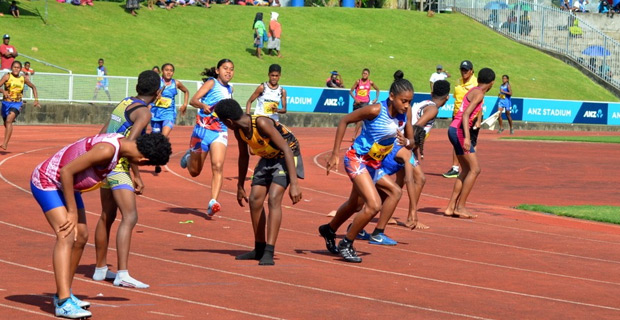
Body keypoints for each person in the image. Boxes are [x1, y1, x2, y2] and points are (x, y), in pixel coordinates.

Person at [31, 132, 170, 319]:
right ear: (143, 158)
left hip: (67, 186)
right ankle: (64, 303)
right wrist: (71, 211)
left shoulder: (121, 144)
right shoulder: (107, 150)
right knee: (66, 235)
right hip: (48, 181)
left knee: (81, 237)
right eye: (146, 164)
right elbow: (66, 171)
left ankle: (63, 294)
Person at [319, 78, 414, 263]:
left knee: (357, 204)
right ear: (392, 96)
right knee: (373, 205)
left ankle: (329, 230)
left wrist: (407, 142)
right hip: (357, 159)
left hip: (373, 164)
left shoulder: (405, 113)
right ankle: (347, 243)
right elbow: (344, 120)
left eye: (409, 101)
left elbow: (412, 142)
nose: (406, 105)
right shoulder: (375, 110)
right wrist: (334, 154)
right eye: (403, 101)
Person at [92, 70, 160, 289]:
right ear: (157, 93)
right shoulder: (144, 113)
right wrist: (137, 176)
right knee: (130, 216)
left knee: (107, 215)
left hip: (104, 162)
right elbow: (130, 145)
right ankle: (122, 273)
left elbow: (103, 131)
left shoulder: (125, 102)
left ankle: (101, 269)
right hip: (118, 166)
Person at [216, 99, 303, 265]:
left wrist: (294, 184)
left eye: (222, 122)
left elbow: (286, 148)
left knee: (274, 198)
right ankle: (259, 248)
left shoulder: (261, 123)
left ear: (228, 122)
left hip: (287, 156)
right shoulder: (239, 131)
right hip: (267, 157)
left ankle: (269, 251)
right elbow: (244, 156)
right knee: (255, 199)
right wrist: (240, 185)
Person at [179, 59, 234, 216]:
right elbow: (193, 100)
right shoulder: (212, 83)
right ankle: (189, 157)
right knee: (195, 172)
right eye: (225, 68)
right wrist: (204, 106)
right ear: (217, 71)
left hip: (219, 131)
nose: (228, 71)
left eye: (231, 69)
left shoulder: (230, 89)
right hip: (202, 131)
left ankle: (213, 201)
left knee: (217, 165)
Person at [444, 68, 495, 219]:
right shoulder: (479, 94)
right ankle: (460, 207)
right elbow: (466, 114)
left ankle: (450, 207)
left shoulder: (475, 90)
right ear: (491, 83)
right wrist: (467, 137)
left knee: (466, 170)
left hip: (454, 128)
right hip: (459, 130)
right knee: (475, 169)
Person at [150, 63, 189, 173]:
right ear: (162, 71)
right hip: (156, 114)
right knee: (156, 139)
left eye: (171, 70)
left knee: (163, 137)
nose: (169, 72)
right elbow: (149, 95)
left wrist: (185, 104)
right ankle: (157, 161)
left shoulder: (176, 83)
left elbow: (186, 91)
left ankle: (161, 157)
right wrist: (155, 96)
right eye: (166, 70)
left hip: (169, 114)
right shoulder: (158, 82)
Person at [443, 60, 477, 179]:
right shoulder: (459, 82)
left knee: (470, 143)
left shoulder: (475, 84)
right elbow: (456, 99)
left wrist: (477, 121)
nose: (463, 72)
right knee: (457, 142)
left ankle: (470, 167)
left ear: (471, 71)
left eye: (466, 70)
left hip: (470, 117)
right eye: (462, 69)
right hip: (457, 115)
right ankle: (456, 168)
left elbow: (479, 102)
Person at [0, 61, 40, 150]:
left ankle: (5, 144)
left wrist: (36, 100)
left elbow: (33, 87)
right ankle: (8, 129)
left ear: (20, 69)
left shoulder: (23, 78)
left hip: (17, 103)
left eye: (18, 68)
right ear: (11, 68)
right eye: (14, 67)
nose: (16, 69)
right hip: (5, 103)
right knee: (6, 122)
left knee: (9, 120)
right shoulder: (7, 76)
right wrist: (3, 91)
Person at [349, 68, 379, 140]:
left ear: (368, 75)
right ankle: (358, 130)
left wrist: (376, 98)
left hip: (365, 103)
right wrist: (355, 99)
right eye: (363, 73)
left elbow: (377, 89)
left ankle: (354, 135)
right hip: (357, 103)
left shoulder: (370, 82)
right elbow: (350, 91)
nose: (364, 75)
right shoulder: (358, 82)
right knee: (355, 119)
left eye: (366, 74)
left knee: (361, 119)